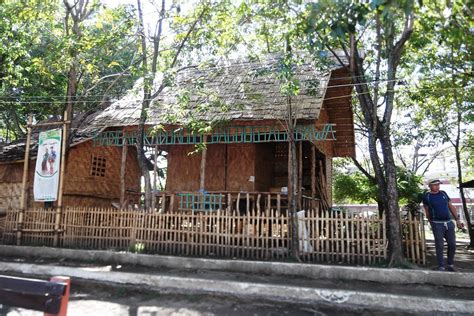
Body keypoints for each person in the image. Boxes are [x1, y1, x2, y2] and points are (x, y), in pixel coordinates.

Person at [422, 179, 463, 271]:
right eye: (435, 185)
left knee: (452, 244)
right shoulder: (427, 197)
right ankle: (441, 266)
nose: (437, 186)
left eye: (438, 185)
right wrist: (431, 223)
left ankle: (450, 265)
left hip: (449, 223)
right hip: (437, 224)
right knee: (439, 245)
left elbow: (451, 206)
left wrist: (457, 220)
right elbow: (427, 211)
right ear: (430, 186)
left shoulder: (443, 194)